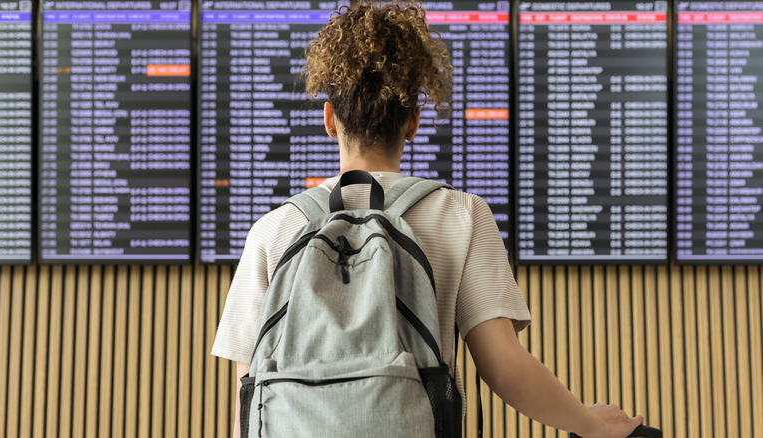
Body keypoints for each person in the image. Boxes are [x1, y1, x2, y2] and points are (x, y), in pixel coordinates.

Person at [212, 2, 645, 437]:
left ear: (330, 120)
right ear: (414, 122)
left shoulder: (273, 229)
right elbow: (504, 367)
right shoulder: (462, 214)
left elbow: (250, 396)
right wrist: (593, 426)